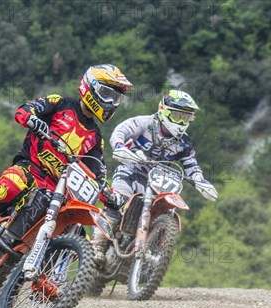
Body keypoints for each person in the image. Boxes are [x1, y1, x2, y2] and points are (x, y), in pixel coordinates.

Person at [0, 64, 134, 273]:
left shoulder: (95, 138)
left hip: (56, 189)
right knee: (10, 186)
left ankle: (45, 276)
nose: (110, 102)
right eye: (107, 94)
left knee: (76, 229)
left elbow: (97, 174)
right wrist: (32, 119)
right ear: (90, 87)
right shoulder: (60, 104)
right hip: (31, 168)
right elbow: (24, 110)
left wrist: (110, 195)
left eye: (116, 98)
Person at [90, 89, 218, 264]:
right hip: (130, 172)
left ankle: (153, 255)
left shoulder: (184, 143)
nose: (182, 122)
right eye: (178, 116)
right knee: (117, 202)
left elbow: (191, 165)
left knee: (165, 212)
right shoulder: (145, 123)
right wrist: (120, 147)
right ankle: (96, 246)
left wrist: (200, 181)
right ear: (164, 111)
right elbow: (121, 130)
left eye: (186, 118)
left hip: (158, 183)